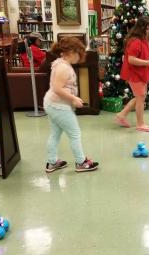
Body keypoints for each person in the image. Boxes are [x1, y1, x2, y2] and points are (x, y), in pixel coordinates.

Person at [44, 37, 99, 173]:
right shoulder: (63, 68)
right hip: (59, 106)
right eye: (79, 54)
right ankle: (81, 162)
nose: (80, 58)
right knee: (75, 134)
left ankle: (52, 162)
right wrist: (73, 98)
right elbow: (58, 88)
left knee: (55, 134)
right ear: (71, 52)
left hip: (52, 104)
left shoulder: (59, 63)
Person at [115, 16, 149, 132]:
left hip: (140, 72)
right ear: (141, 28)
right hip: (134, 73)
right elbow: (131, 59)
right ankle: (140, 124)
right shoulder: (136, 41)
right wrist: (148, 62)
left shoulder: (143, 39)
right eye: (148, 28)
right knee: (140, 97)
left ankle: (121, 115)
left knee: (140, 96)